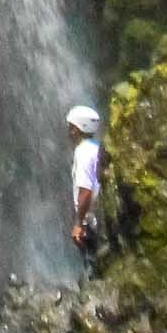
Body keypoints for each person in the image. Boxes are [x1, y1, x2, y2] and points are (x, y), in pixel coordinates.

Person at [66, 104, 102, 265]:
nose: (69, 131)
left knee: (92, 262)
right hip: (99, 217)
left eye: (71, 127)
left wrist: (79, 223)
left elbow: (85, 191)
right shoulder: (96, 149)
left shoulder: (82, 153)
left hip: (90, 220)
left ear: (78, 129)